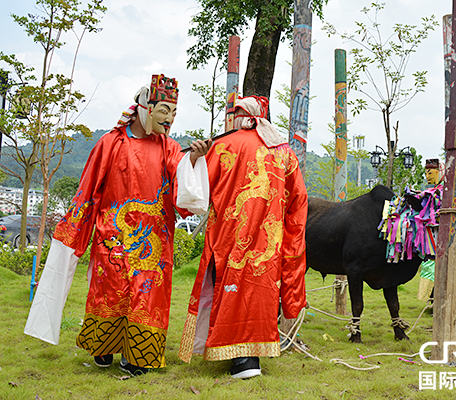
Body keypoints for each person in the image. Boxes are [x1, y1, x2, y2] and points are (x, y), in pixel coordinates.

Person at [24, 74, 212, 376]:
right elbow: (88, 188)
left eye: (174, 113)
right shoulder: (109, 144)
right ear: (144, 108)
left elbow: (183, 182)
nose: (169, 119)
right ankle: (103, 348)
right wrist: (76, 227)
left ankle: (137, 356)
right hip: (111, 237)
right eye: (164, 110)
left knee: (146, 295)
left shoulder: (169, 147)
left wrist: (194, 158)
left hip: (153, 238)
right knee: (109, 293)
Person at [177, 96, 308, 379]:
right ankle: (249, 360)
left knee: (229, 290)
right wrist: (291, 240)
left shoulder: (222, 146)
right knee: (259, 294)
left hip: (228, 239)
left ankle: (233, 355)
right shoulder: (284, 153)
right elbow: (298, 202)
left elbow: (196, 194)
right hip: (268, 243)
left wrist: (195, 159)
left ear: (238, 116)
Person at [417, 159, 445, 304]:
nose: (427, 176)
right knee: (429, 263)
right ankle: (431, 298)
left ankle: (438, 298)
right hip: (429, 233)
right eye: (426, 173)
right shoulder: (432, 191)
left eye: (430, 172)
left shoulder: (443, 190)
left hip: (441, 233)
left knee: (438, 264)